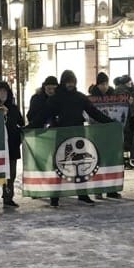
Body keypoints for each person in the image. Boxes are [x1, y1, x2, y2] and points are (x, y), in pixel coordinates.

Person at [46, 70, 111, 206]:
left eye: (72, 82)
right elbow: (43, 115)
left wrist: (110, 122)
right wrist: (31, 127)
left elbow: (94, 112)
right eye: (68, 82)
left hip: (78, 135)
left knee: (81, 165)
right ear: (63, 83)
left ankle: (82, 194)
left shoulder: (80, 98)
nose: (70, 84)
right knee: (60, 165)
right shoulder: (55, 99)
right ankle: (54, 197)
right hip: (61, 136)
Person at [0, 80, 25, 208]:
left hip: (12, 146)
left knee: (11, 174)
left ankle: (8, 197)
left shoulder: (13, 108)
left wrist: (18, 135)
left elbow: (21, 123)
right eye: (0, 91)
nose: (2, 94)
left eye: (5, 91)